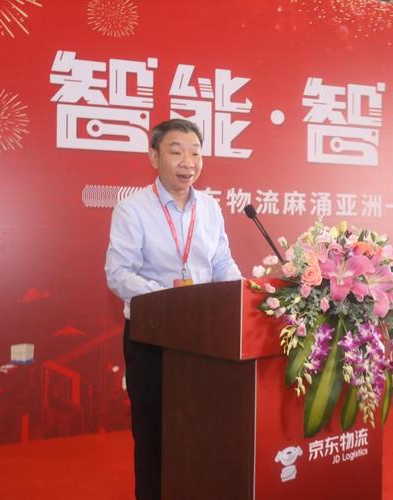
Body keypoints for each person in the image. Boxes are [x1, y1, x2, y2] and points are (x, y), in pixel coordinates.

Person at [105, 118, 241, 500]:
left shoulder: (210, 208)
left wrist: (239, 292)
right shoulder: (132, 210)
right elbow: (118, 274)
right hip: (152, 341)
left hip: (206, 341)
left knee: (202, 430)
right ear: (154, 157)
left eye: (195, 153)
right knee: (153, 435)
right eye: (176, 152)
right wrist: (168, 302)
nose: (188, 162)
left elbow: (222, 263)